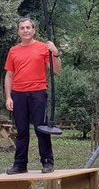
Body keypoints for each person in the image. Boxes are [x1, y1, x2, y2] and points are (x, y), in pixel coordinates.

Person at [4, 18, 61, 174]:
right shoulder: (13, 51)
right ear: (18, 31)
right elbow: (9, 75)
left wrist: (55, 53)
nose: (26, 30)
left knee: (41, 129)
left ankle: (47, 162)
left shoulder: (44, 48)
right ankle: (20, 164)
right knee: (21, 130)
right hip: (18, 94)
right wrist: (8, 97)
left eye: (28, 27)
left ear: (33, 30)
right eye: (22, 28)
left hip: (38, 93)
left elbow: (56, 70)